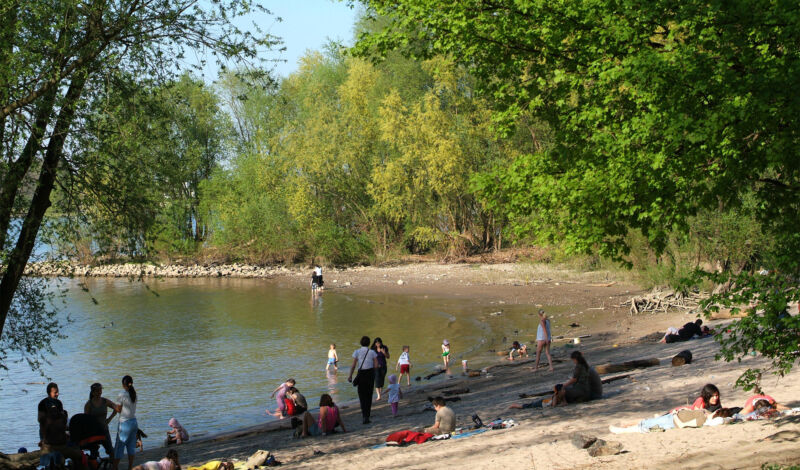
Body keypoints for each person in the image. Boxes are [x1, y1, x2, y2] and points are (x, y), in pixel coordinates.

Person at [610, 407, 736, 433]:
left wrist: (676, 414)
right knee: (648, 421)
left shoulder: (703, 420)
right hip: (673, 417)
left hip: (672, 421)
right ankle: (625, 425)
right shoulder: (706, 415)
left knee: (646, 425)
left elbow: (684, 425)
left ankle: (620, 430)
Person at [348, 336, 380, 424]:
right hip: (370, 374)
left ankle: (364, 416)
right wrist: (373, 370)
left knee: (362, 396)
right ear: (369, 343)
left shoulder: (357, 352)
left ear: (361, 343)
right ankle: (367, 416)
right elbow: (376, 365)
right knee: (369, 395)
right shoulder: (372, 352)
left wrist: (350, 376)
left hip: (361, 374)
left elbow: (354, 365)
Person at [112, 375, 138, 470]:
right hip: (134, 422)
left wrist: (113, 406)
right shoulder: (134, 394)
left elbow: (118, 410)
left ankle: (114, 467)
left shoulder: (122, 394)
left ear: (123, 385)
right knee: (131, 447)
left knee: (119, 446)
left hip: (125, 423)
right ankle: (130, 467)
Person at [84, 383, 117, 457]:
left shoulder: (105, 401)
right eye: (97, 391)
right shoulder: (88, 404)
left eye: (100, 390)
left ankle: (113, 466)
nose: (99, 392)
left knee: (110, 451)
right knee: (94, 452)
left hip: (104, 430)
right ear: (93, 392)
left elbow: (116, 408)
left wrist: (109, 419)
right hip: (93, 432)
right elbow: (85, 419)